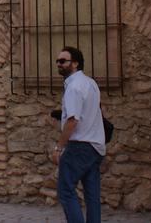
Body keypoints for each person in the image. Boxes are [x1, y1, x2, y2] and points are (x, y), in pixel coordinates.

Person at [51, 46, 104, 223]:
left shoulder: (74, 87)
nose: (59, 64)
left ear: (75, 63)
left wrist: (59, 147)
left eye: (63, 61)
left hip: (79, 146)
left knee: (65, 190)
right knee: (92, 196)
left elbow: (73, 120)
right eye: (57, 61)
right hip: (95, 146)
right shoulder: (91, 83)